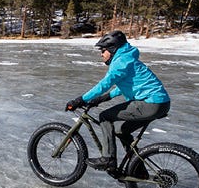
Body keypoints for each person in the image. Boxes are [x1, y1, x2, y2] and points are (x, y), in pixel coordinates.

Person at [65, 30, 170, 170]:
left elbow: (105, 84)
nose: (101, 54)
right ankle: (138, 170)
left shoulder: (120, 62)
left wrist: (80, 100)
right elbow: (126, 86)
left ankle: (108, 159)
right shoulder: (127, 58)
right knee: (121, 131)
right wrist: (104, 98)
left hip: (150, 102)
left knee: (105, 117)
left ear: (112, 49)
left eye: (103, 50)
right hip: (160, 103)